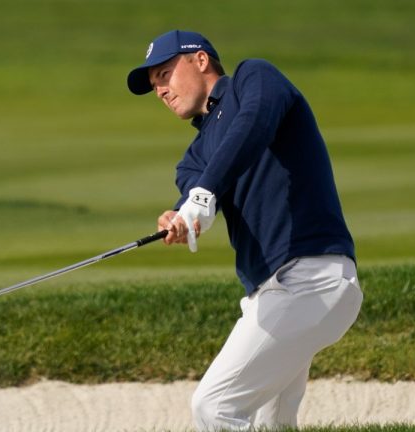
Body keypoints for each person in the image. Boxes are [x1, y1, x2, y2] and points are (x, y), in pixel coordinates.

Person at [126, 30, 363, 431]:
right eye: (154, 86)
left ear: (200, 60)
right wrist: (183, 215)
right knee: (271, 423)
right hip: (270, 298)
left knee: (213, 406)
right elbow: (198, 196)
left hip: (310, 280)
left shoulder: (255, 79)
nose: (161, 91)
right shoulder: (193, 159)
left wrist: (203, 194)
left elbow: (254, 123)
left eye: (165, 74)